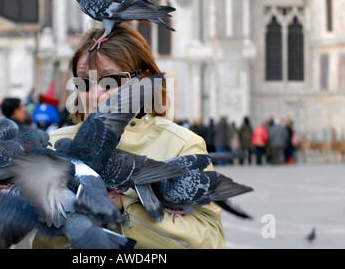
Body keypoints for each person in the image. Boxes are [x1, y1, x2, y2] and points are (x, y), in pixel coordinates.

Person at [31, 23, 225, 249]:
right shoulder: (54, 143)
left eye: (110, 81)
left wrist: (123, 208)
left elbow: (210, 240)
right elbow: (9, 238)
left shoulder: (180, 145)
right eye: (84, 82)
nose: (95, 95)